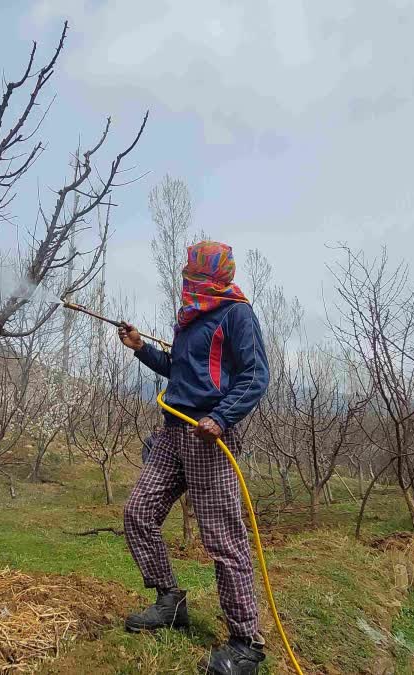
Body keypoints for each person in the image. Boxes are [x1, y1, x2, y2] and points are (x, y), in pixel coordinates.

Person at [118, 241, 270, 675]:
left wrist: (222, 418)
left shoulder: (236, 313)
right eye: (188, 273)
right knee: (138, 514)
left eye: (194, 273)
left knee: (224, 541)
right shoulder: (188, 317)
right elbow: (181, 372)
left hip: (209, 439)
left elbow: (256, 375)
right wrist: (140, 348)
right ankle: (170, 600)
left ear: (214, 277)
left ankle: (245, 645)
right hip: (172, 433)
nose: (188, 279)